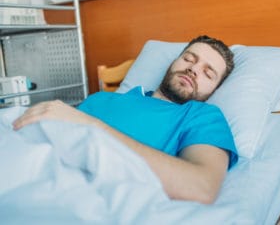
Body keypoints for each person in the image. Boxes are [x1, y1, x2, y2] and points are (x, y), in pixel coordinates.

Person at [12, 35, 238, 204]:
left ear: (214, 90)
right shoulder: (100, 99)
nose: (193, 69)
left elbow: (201, 187)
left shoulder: (203, 116)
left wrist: (90, 125)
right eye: (189, 58)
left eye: (208, 73)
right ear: (173, 62)